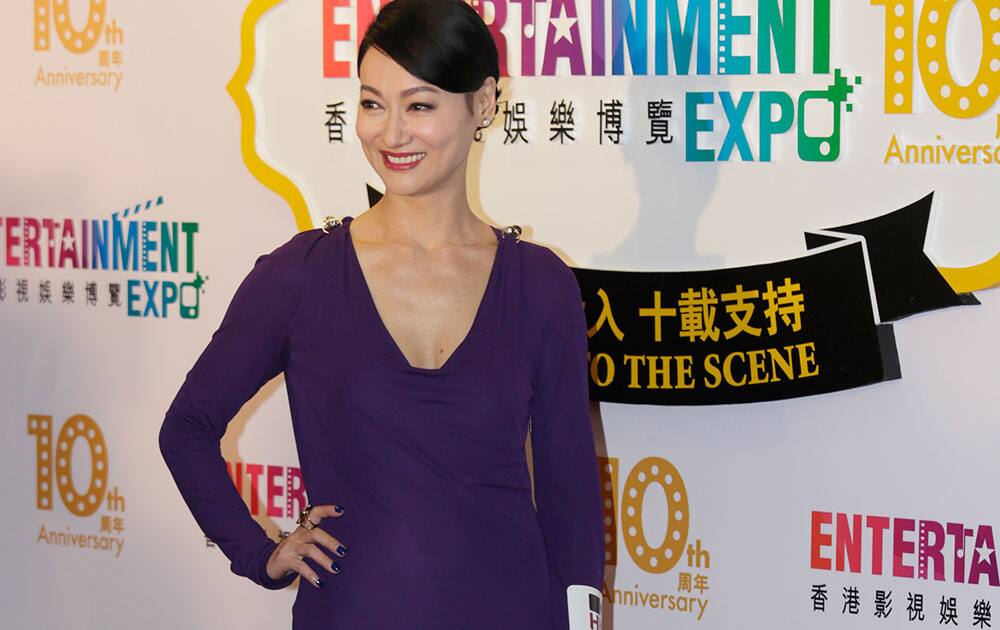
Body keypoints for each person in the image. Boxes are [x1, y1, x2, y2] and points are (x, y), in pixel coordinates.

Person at [158, 0, 604, 627]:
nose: (390, 133)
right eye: (372, 103)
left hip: (511, 610)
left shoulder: (539, 284)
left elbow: (570, 495)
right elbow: (186, 428)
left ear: (483, 103)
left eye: (419, 105)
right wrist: (259, 554)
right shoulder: (301, 275)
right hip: (353, 611)